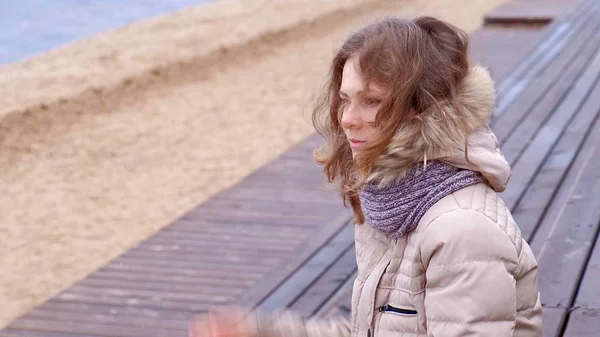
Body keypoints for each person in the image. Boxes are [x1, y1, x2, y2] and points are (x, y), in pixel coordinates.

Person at [190, 15, 543, 337]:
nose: (347, 119)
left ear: (423, 106)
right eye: (345, 99)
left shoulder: (462, 231)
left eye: (372, 101)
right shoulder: (393, 199)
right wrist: (262, 333)